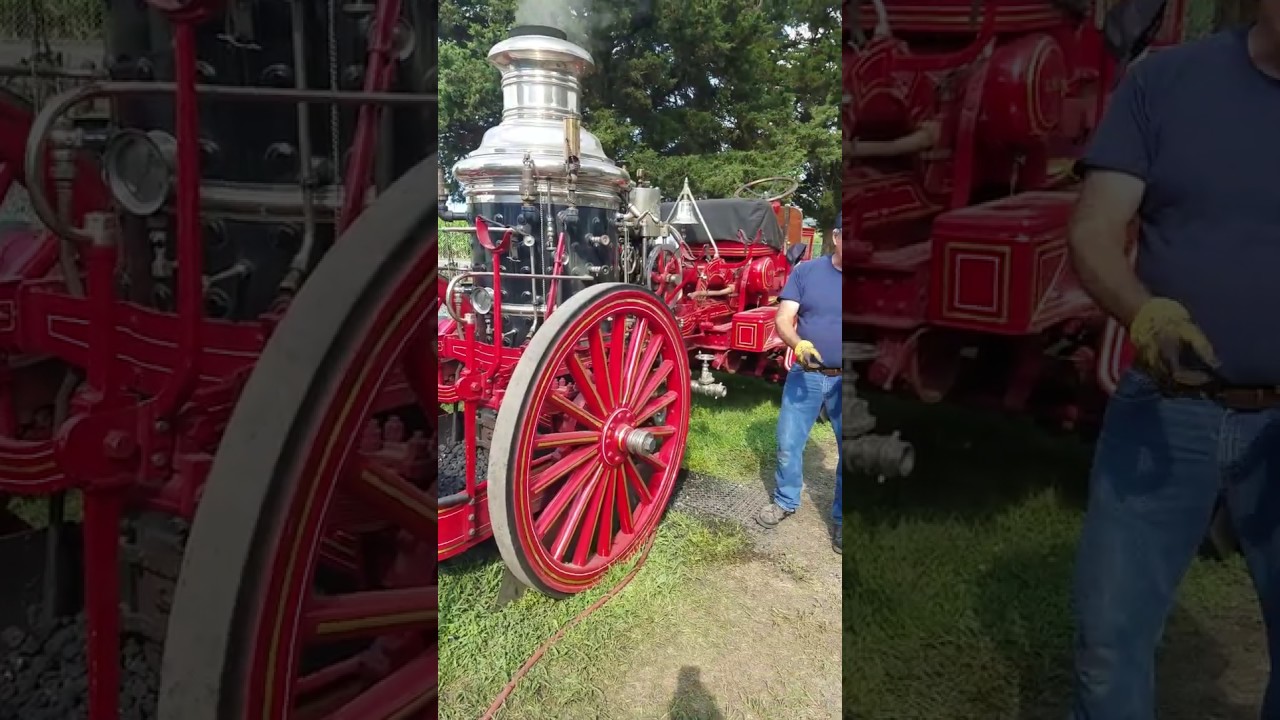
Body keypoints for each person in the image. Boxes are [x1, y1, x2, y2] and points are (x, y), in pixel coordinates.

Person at [1067, 8, 1280, 718]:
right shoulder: (1167, 81)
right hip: (1165, 408)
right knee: (1109, 643)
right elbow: (1096, 228)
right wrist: (1145, 313)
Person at [756, 214, 843, 554]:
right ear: (836, 237)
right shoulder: (806, 272)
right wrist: (797, 344)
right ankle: (786, 500)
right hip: (806, 375)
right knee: (788, 444)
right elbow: (782, 318)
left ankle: (841, 518)